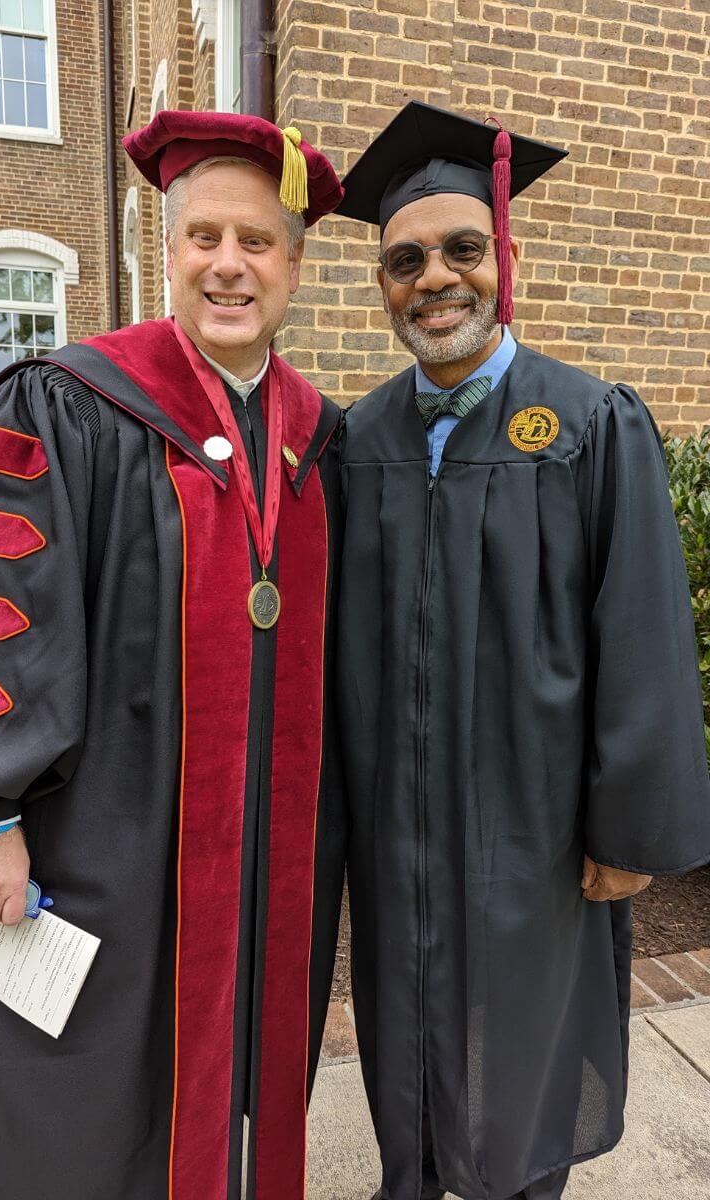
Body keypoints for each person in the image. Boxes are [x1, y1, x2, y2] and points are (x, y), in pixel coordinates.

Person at [0, 110, 347, 1200]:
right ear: (168, 252)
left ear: (293, 266)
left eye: (255, 242)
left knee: (218, 1088)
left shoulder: (311, 434)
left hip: (256, 854)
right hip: (96, 838)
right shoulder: (68, 401)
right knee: (69, 1110)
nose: (227, 266)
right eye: (204, 237)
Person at [335, 100, 710, 1200]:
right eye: (404, 261)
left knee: (526, 1018)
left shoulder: (591, 422)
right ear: (382, 286)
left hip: (537, 822)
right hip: (395, 815)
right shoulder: (357, 441)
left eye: (460, 250)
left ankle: (513, 1183)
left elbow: (640, 634)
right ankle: (409, 1172)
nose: (433, 279)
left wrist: (627, 825)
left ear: (502, 256)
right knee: (401, 997)